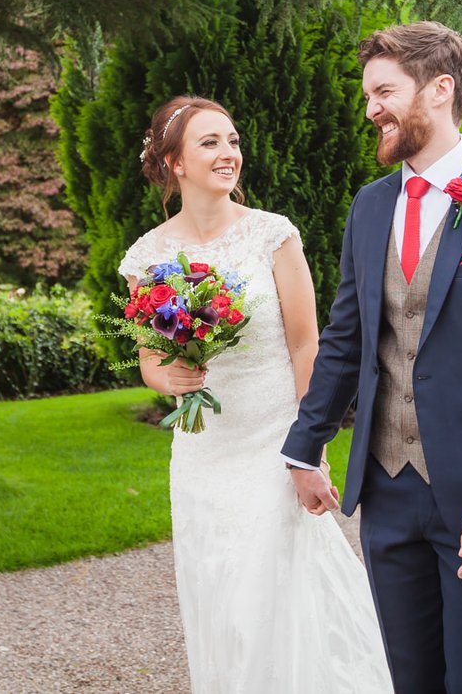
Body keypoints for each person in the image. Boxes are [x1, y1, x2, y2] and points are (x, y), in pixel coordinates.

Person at [282, 22, 462, 694]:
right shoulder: (370, 205)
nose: (370, 109)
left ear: (439, 89)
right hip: (386, 495)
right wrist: (305, 448)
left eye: (383, 91)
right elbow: (347, 337)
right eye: (366, 95)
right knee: (411, 683)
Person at [119, 95, 394, 694]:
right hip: (203, 453)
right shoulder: (148, 257)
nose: (228, 153)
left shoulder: (273, 236)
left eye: (234, 141)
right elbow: (148, 361)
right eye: (210, 143)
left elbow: (305, 346)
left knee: (277, 590)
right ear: (174, 164)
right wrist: (173, 379)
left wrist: (309, 448)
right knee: (220, 591)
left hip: (275, 443)